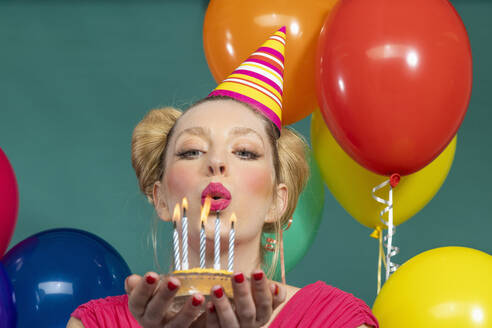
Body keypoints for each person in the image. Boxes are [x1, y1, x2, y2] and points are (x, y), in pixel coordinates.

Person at [67, 27, 379, 328]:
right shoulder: (96, 323)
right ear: (161, 198)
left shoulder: (334, 320)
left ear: (277, 201)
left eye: (244, 152)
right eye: (191, 151)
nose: (216, 162)